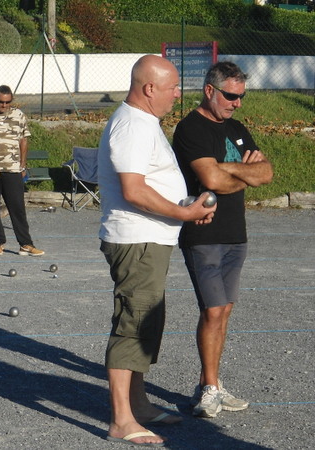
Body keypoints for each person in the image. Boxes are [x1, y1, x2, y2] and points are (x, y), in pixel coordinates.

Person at [98, 55, 216, 447]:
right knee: (133, 324)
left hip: (149, 238)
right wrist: (183, 211)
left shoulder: (144, 123)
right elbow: (133, 190)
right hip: (137, 240)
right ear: (149, 88)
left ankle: (139, 406)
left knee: (146, 323)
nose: (178, 95)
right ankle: (121, 420)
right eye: (172, 88)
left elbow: (150, 185)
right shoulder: (132, 125)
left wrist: (186, 207)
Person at [172, 62, 273, 418]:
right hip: (203, 233)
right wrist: (243, 173)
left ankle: (210, 384)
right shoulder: (190, 129)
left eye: (242, 97)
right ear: (210, 91)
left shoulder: (237, 128)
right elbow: (211, 179)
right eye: (231, 96)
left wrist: (228, 170)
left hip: (235, 234)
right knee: (213, 310)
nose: (237, 103)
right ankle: (209, 389)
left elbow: (267, 172)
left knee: (224, 310)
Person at [0, 85, 44, 257]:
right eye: (1, 102)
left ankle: (26, 244)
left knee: (17, 207)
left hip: (12, 169)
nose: (4, 106)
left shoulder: (19, 116)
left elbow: (24, 141)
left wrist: (22, 166)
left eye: (8, 102)